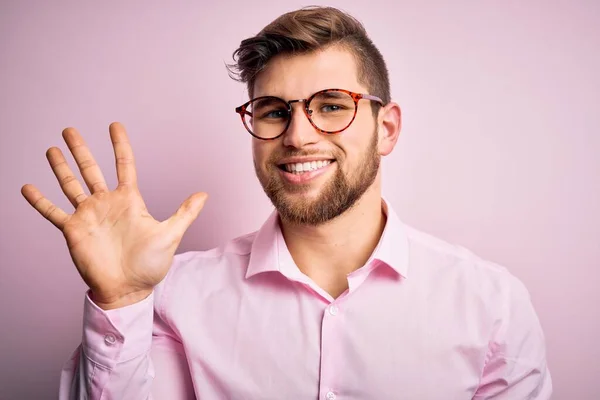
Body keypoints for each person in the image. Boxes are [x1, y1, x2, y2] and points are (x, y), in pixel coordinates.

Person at [21, 6, 552, 399]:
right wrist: (119, 300)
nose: (298, 136)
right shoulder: (174, 298)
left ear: (385, 128)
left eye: (331, 106)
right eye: (274, 110)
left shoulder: (492, 307)